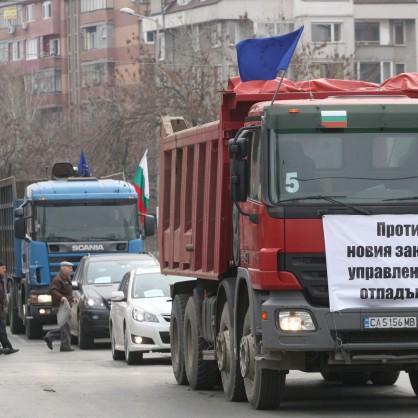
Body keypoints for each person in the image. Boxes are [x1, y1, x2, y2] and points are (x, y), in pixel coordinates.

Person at [44, 261, 77, 352]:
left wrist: (72, 298)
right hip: (60, 307)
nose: (71, 270)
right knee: (66, 326)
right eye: (70, 268)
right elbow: (52, 290)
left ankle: (50, 337)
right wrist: (61, 297)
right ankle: (64, 346)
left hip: (65, 306)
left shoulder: (66, 278)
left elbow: (66, 292)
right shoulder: (58, 279)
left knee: (65, 326)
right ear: (64, 268)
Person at [0, 259, 19, 355]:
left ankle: (7, 348)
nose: (4, 270)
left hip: (1, 309)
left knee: (2, 330)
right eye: (3, 268)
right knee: (2, 330)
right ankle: (7, 348)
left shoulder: (1, 280)